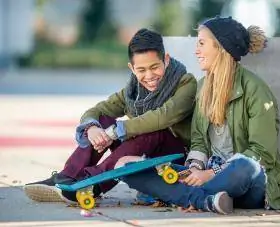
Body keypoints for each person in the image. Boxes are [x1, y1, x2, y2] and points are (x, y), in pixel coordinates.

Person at [119, 16, 280, 214]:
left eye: (202, 44)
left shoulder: (255, 89)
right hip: (208, 173)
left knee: (245, 166)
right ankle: (208, 200)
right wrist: (195, 169)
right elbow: (199, 142)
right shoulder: (203, 87)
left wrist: (210, 174)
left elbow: (262, 153)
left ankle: (190, 197)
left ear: (222, 47)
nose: (196, 50)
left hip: (247, 182)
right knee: (129, 166)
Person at [23, 28, 197, 203]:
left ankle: (91, 183)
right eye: (141, 70)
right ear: (132, 68)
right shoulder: (133, 91)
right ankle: (67, 176)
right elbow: (98, 111)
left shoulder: (185, 82)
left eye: (154, 67)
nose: (149, 76)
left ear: (165, 60)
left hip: (176, 156)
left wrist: (116, 131)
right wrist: (92, 128)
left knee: (150, 129)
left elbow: (162, 118)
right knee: (102, 121)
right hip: (143, 152)